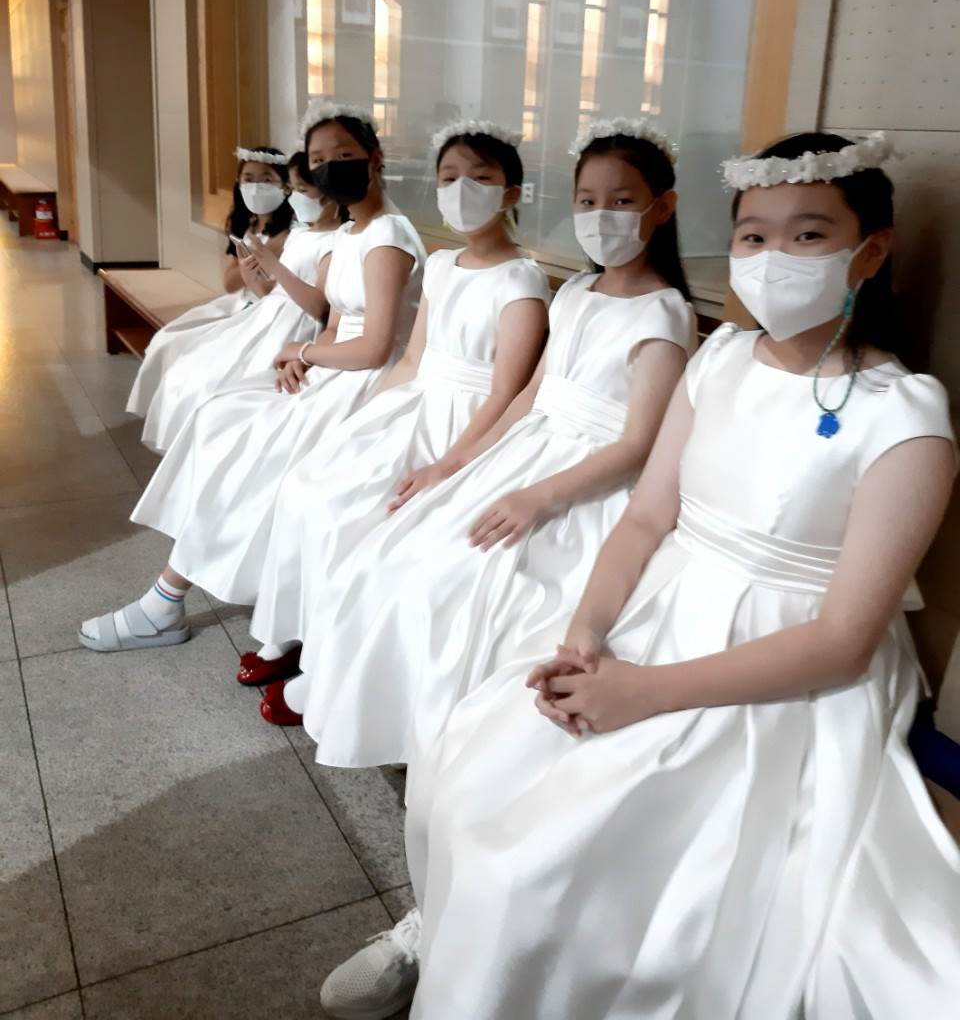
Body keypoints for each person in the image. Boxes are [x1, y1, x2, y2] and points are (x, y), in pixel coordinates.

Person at [338, 131, 959, 1020]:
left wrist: (642, 692)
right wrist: (585, 634)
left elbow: (841, 641)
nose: (774, 258)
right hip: (661, 601)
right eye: (754, 236)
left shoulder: (905, 418)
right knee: (471, 757)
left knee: (584, 843)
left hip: (782, 665)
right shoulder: (720, 357)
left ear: (871, 250)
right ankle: (441, 931)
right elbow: (644, 517)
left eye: (809, 235)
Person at [298, 118, 697, 774]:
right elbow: (527, 396)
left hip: (582, 481)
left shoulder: (664, 314)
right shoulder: (576, 291)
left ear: (662, 207)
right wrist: (452, 467)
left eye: (622, 201)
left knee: (467, 584)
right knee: (394, 549)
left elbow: (637, 445)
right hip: (523, 451)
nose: (601, 216)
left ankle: (441, 748)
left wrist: (537, 498)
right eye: (587, 201)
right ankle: (385, 717)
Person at [78, 103, 425, 653]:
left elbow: (378, 344)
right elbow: (336, 322)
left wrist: (304, 350)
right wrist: (307, 357)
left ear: (375, 158)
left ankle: (166, 601)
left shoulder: (388, 238)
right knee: (220, 417)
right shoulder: (350, 233)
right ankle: (173, 594)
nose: (330, 167)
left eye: (344, 155)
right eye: (319, 160)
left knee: (253, 449)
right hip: (341, 365)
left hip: (374, 381)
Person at [246, 120, 550, 706]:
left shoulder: (523, 280)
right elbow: (412, 359)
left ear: (511, 192)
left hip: (463, 423)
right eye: (449, 178)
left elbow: (504, 393)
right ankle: (301, 633)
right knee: (309, 483)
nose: (462, 190)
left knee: (350, 510)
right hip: (417, 399)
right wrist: (367, 419)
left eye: (480, 178)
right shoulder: (442, 265)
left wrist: (447, 465)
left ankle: (333, 665)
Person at [132, 153, 341, 453]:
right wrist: (250, 273)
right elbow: (270, 292)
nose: (293, 197)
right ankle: (184, 448)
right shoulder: (301, 234)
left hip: (294, 324)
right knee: (190, 370)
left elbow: (318, 307)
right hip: (267, 314)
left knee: (220, 386)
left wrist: (273, 264)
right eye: (292, 189)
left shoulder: (335, 242)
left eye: (301, 190)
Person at [126, 146, 294, 423]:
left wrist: (260, 259)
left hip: (268, 307)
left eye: (266, 179)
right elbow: (229, 282)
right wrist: (257, 257)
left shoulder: (294, 231)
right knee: (169, 339)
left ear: (285, 185)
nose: (256, 186)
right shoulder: (247, 224)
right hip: (239, 300)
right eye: (249, 179)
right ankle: (162, 413)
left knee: (202, 359)